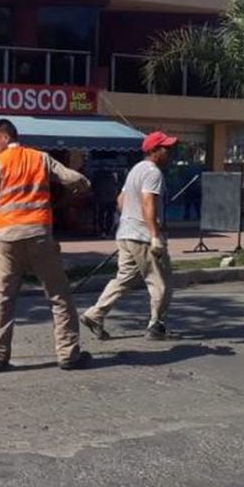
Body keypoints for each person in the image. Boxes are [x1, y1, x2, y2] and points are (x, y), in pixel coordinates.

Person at [0, 119, 93, 373]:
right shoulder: (41, 158)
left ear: (5, 136)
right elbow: (73, 178)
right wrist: (82, 187)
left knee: (2, 298)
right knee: (59, 296)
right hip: (40, 236)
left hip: (7, 239)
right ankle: (68, 354)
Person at [81, 131, 177, 342]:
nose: (169, 152)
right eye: (165, 148)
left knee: (124, 278)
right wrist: (154, 235)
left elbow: (121, 199)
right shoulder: (153, 172)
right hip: (143, 236)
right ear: (153, 151)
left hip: (125, 233)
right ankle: (157, 325)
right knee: (161, 282)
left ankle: (95, 314)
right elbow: (147, 202)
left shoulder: (135, 170)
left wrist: (128, 221)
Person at [92, 167, 119, 237]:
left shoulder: (98, 176)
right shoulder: (112, 176)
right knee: (109, 215)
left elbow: (93, 187)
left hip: (101, 198)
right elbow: (116, 187)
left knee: (101, 215)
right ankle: (107, 231)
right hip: (111, 198)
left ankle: (102, 231)